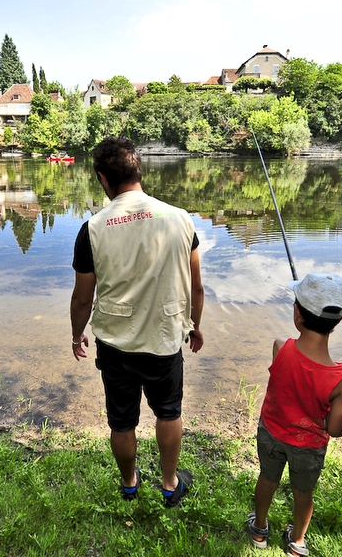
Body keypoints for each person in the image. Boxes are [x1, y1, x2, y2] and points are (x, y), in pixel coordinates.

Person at [70, 136, 205, 507]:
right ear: (139, 172)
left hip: (116, 343)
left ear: (103, 178)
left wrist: (77, 335)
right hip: (165, 338)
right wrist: (195, 325)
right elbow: (196, 287)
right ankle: (169, 484)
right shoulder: (181, 219)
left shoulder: (93, 228)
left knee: (122, 420)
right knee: (169, 412)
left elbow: (82, 298)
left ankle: (129, 483)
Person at [248, 273, 342, 556]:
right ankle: (297, 542)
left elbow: (286, 383)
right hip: (309, 447)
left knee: (267, 479)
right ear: (338, 321)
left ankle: (259, 530)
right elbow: (336, 429)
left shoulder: (279, 347)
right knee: (303, 493)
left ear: (297, 313)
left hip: (271, 433)